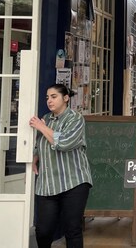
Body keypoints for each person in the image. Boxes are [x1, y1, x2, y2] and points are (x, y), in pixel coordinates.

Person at [30, 84, 92, 248]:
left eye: (53, 96)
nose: (49, 101)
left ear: (65, 98)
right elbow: (40, 141)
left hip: (73, 182)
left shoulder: (76, 118)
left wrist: (42, 127)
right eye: (47, 97)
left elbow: (64, 142)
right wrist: (36, 155)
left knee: (72, 229)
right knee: (43, 230)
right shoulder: (46, 118)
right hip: (48, 183)